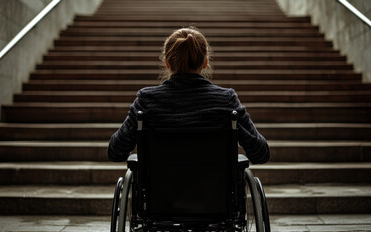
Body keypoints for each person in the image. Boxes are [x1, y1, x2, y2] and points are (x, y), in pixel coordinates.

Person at [108, 27, 270, 164]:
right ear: (205, 62)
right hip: (214, 196)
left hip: (160, 196)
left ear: (167, 63)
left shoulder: (147, 100)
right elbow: (260, 154)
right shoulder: (226, 100)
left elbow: (116, 152)